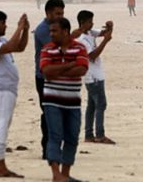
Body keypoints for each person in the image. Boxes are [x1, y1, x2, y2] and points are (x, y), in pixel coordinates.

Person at [0, 10, 30, 178]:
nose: (5, 26)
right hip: (2, 90)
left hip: (6, 90)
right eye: (2, 23)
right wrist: (19, 27)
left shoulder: (0, 40)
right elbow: (10, 46)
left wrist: (24, 30)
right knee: (1, 126)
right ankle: (0, 166)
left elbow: (19, 47)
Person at [40, 18, 89, 182]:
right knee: (55, 136)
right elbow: (46, 71)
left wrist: (57, 71)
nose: (51, 34)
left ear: (65, 31)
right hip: (52, 100)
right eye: (51, 31)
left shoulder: (80, 47)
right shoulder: (47, 48)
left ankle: (65, 174)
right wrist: (69, 65)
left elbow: (82, 69)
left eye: (55, 31)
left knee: (72, 137)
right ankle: (56, 174)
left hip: (73, 101)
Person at [75, 10, 115, 145]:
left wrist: (109, 28)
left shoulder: (89, 33)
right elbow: (92, 56)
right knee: (101, 104)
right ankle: (99, 134)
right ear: (82, 23)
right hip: (93, 77)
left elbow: (102, 33)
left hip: (94, 75)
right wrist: (105, 41)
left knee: (92, 106)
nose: (92, 24)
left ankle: (88, 134)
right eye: (90, 22)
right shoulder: (81, 39)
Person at [34, 0, 65, 160]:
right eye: (57, 13)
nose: (60, 16)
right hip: (44, 78)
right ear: (48, 13)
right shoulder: (43, 30)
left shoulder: (57, 28)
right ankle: (47, 148)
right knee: (48, 113)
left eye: (62, 13)